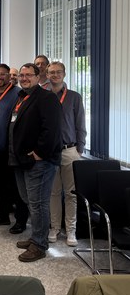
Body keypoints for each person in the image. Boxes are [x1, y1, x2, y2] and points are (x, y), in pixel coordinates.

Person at [11, 63, 62, 262]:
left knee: (39, 203)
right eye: (21, 75)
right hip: (22, 159)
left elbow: (52, 129)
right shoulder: (23, 97)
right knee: (29, 200)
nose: (24, 78)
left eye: (28, 75)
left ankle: (39, 245)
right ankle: (36, 237)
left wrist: (39, 153)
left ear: (38, 76)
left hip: (39, 161)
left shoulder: (46, 97)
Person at [0, 64, 28, 233]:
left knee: (15, 187)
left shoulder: (18, 94)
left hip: (10, 150)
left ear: (9, 76)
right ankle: (2, 215)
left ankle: (21, 221)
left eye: (3, 74)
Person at [47, 61, 86, 247]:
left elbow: (80, 124)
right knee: (53, 192)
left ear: (64, 74)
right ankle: (54, 227)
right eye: (51, 72)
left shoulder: (74, 97)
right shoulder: (44, 97)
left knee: (71, 194)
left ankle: (71, 230)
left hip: (70, 150)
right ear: (47, 75)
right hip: (50, 151)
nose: (55, 75)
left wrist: (80, 148)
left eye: (58, 72)